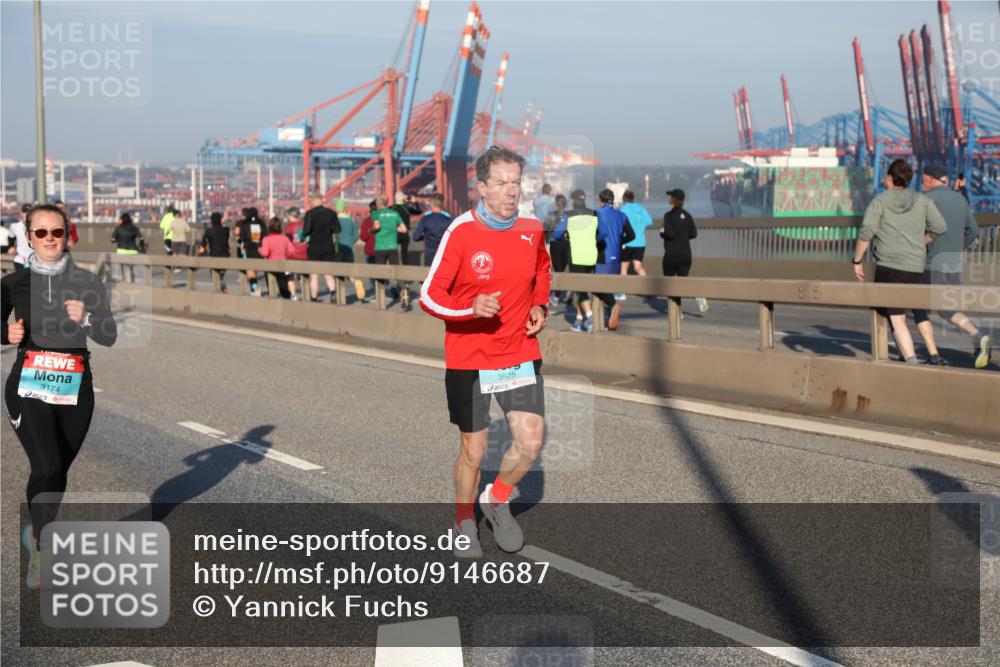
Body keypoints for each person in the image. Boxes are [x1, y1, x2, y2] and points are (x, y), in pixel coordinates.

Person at [419, 145, 550, 558]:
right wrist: (469, 308)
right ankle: (463, 519)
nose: (511, 191)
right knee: (474, 451)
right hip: (471, 359)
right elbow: (429, 295)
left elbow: (542, 270)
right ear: (481, 187)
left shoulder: (532, 228)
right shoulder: (460, 232)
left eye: (516, 183)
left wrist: (539, 305)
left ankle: (495, 500)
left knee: (530, 444)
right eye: (501, 183)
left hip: (518, 353)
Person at [2, 204, 117, 589]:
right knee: (47, 466)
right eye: (41, 233)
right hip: (29, 385)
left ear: (68, 235)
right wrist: (5, 334)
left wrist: (87, 318)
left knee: (57, 472)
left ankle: (39, 532)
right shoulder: (13, 284)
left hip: (75, 387)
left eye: (57, 232)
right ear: (29, 237)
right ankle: (43, 550)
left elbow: (109, 335)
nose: (50, 239)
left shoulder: (88, 282)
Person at [852, 159, 947, 364]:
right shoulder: (922, 200)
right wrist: (921, 242)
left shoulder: (880, 201)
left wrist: (857, 261)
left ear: (889, 178)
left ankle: (911, 363)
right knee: (916, 314)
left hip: (890, 267)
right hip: (917, 267)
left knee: (897, 317)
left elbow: (866, 233)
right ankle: (915, 357)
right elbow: (940, 227)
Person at [922, 163, 992, 368]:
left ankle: (927, 354)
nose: (922, 182)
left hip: (930, 263)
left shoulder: (926, 199)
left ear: (930, 178)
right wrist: (959, 248)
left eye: (923, 178)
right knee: (946, 309)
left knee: (915, 308)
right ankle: (977, 335)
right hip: (953, 263)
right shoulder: (960, 200)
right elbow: (974, 231)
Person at [551, 189, 600, 332]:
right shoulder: (594, 213)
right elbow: (602, 232)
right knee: (583, 288)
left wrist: (567, 235)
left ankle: (590, 317)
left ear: (573, 201)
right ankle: (578, 321)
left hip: (576, 256)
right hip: (591, 255)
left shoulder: (568, 215)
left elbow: (557, 234)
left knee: (579, 288)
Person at [660, 189, 708, 313]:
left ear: (673, 200)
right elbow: (694, 233)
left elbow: (670, 234)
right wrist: (683, 235)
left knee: (669, 283)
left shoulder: (668, 216)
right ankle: (698, 294)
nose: (669, 198)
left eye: (670, 197)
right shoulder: (687, 215)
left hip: (671, 255)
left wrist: (662, 232)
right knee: (683, 282)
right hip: (686, 254)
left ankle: (677, 311)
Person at [594, 189, 635, 330]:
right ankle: (608, 318)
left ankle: (612, 307)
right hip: (617, 257)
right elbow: (632, 235)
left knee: (598, 287)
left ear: (601, 201)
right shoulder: (622, 215)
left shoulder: (597, 214)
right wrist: (619, 241)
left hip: (602, 254)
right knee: (607, 287)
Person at [372, 196, 410, 308]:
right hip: (393, 246)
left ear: (379, 204)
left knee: (380, 274)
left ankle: (380, 302)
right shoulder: (395, 213)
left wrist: (371, 230)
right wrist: (393, 228)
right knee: (396, 272)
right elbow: (404, 229)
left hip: (380, 247)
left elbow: (377, 226)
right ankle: (403, 291)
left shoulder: (376, 213)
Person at [303, 196, 340, 303]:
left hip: (314, 247)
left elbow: (306, 231)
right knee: (328, 273)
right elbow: (338, 229)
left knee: (314, 275)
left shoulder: (310, 214)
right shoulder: (331, 213)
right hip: (328, 246)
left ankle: (314, 298)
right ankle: (332, 293)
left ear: (313, 202)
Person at [619, 190, 653, 295]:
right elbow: (649, 222)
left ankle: (622, 291)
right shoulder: (641, 209)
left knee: (624, 268)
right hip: (640, 243)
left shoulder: (623, 210)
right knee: (638, 267)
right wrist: (640, 226)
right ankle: (648, 289)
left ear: (624, 199)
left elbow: (619, 224)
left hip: (627, 242)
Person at [259, 217, 299, 300]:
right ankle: (288, 298)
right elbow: (292, 251)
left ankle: (273, 299)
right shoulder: (285, 238)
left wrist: (259, 249)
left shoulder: (266, 239)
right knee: (283, 286)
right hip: (283, 265)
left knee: (271, 286)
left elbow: (265, 253)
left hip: (271, 265)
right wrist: (286, 256)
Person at [412, 193, 452, 266]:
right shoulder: (449, 220)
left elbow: (415, 237)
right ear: (442, 205)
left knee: (429, 272)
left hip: (429, 254)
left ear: (431, 204)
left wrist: (424, 237)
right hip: (444, 254)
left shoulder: (425, 219)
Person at [545, 194, 569, 307]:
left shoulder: (551, 215)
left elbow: (545, 229)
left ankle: (555, 295)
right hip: (566, 244)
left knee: (552, 269)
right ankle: (565, 292)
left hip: (552, 243)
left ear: (556, 204)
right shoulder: (569, 215)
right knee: (564, 269)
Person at [236, 207, 266, 296]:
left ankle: (254, 288)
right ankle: (254, 288)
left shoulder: (245, 224)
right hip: (259, 250)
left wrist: (241, 243)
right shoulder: (261, 224)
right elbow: (265, 235)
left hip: (249, 250)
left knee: (250, 271)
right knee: (254, 271)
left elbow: (242, 238)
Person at [201, 212, 230, 293]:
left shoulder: (209, 231)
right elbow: (224, 229)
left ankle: (220, 291)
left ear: (212, 221)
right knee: (221, 275)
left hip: (214, 255)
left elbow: (203, 244)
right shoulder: (226, 230)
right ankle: (222, 289)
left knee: (215, 275)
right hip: (225, 256)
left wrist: (202, 250)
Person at [110, 212, 144, 282]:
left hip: (121, 251)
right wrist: (141, 246)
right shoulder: (134, 228)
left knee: (123, 267)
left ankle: (125, 280)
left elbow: (113, 240)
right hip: (133, 250)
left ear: (121, 220)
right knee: (132, 268)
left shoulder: (118, 228)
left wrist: (116, 237)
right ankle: (132, 281)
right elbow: (141, 238)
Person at [8, 204, 33, 268]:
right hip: (21, 259)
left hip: (35, 260)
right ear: (21, 213)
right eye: (25, 212)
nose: (26, 214)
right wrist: (11, 246)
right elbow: (11, 238)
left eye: (29, 212)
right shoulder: (14, 226)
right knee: (25, 273)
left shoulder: (38, 226)